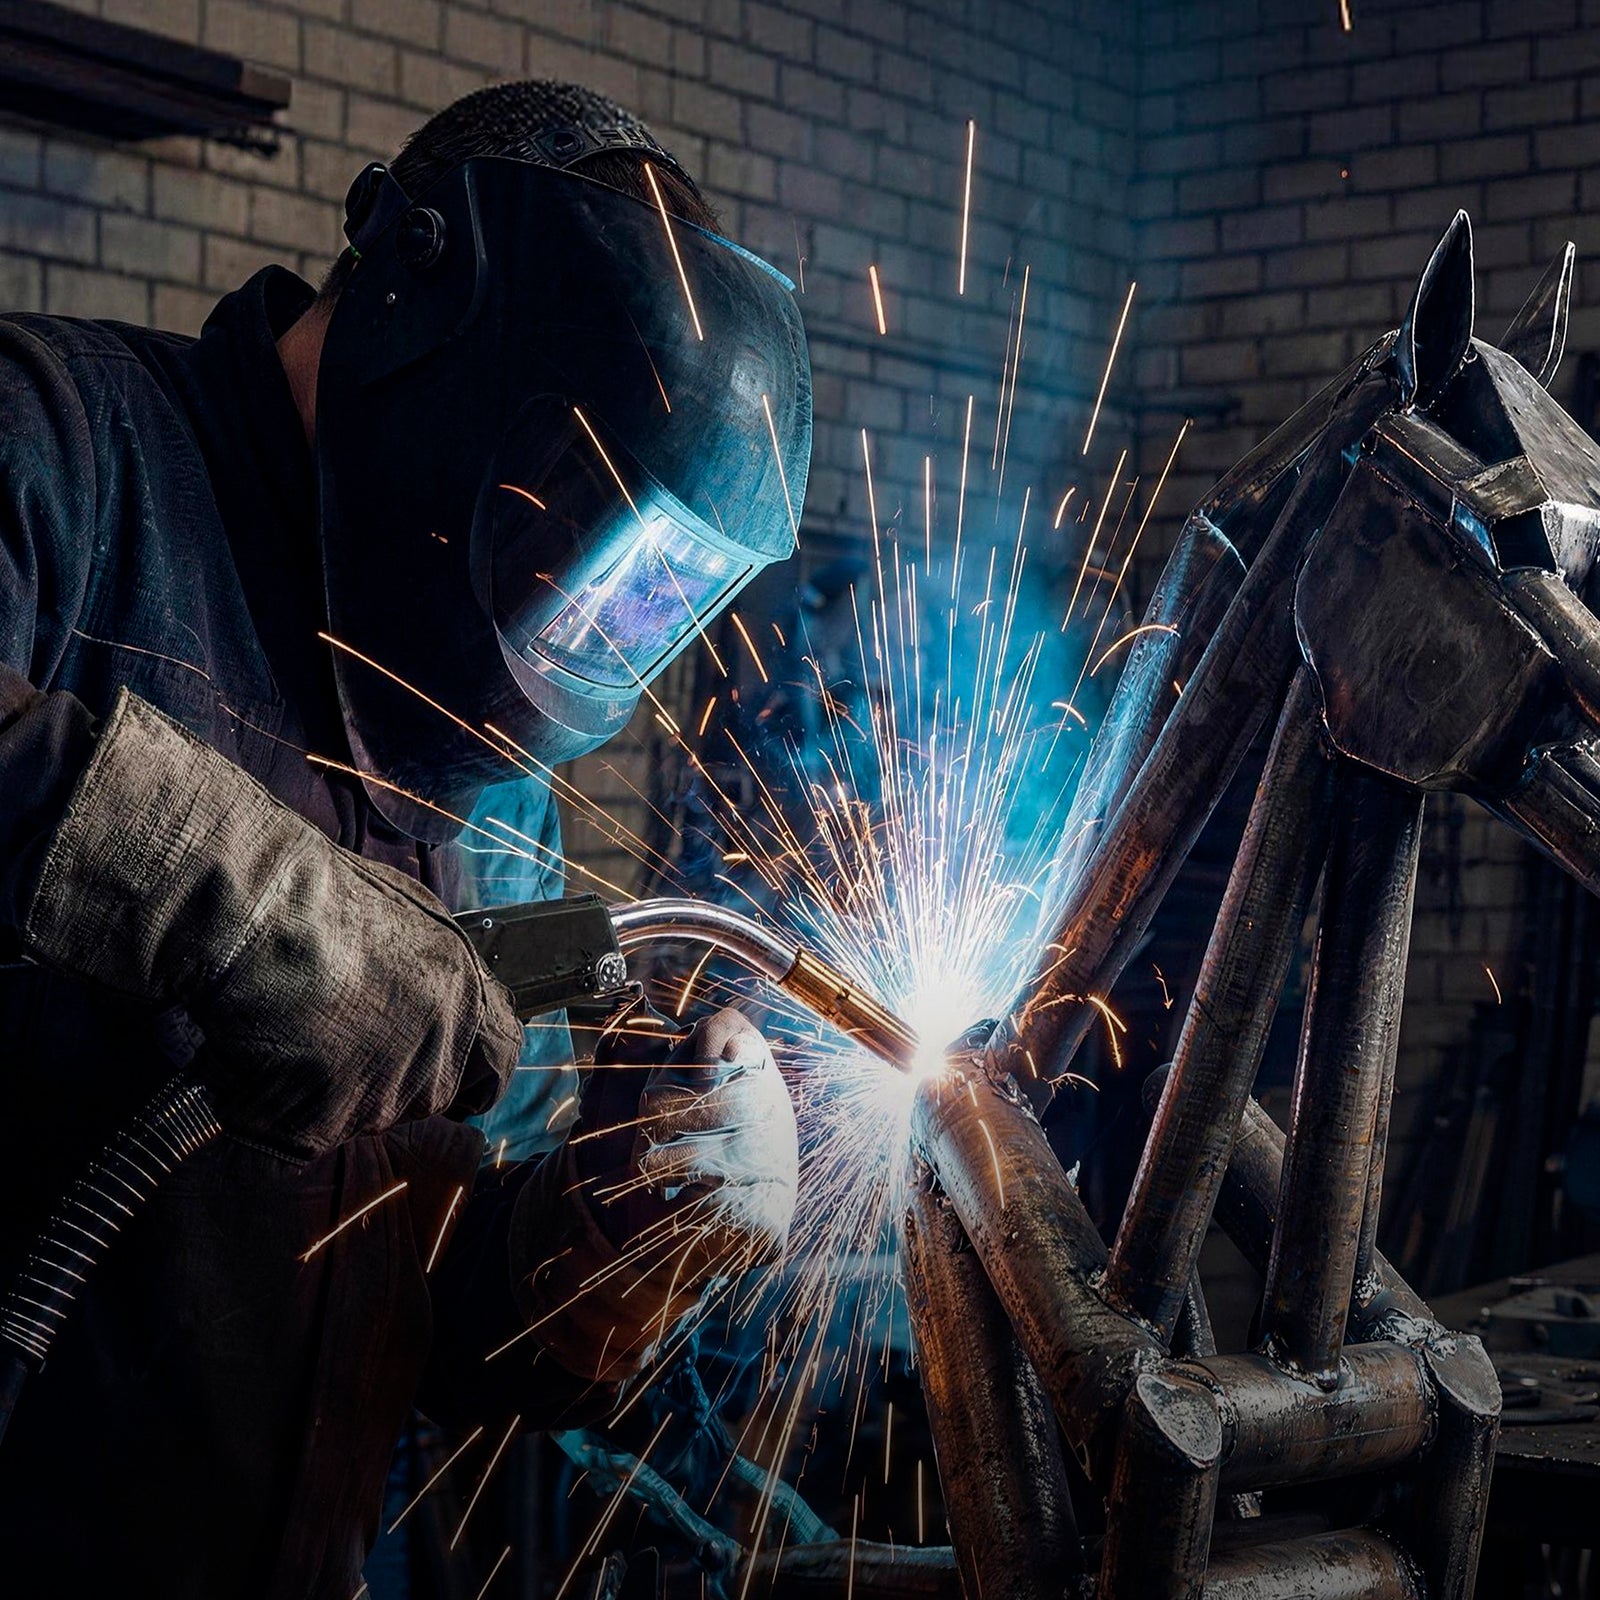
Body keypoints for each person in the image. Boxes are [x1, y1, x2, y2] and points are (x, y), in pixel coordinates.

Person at [0, 80, 810, 1597]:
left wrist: (618, 1237)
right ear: (423, 315)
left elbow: (418, 1297)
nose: (567, 615)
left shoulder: (481, 779)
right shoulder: (61, 448)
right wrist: (243, 904)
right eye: (566, 531)